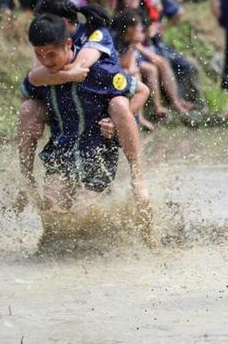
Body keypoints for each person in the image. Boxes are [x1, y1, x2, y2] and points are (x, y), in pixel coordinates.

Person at [20, 13, 151, 223]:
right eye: (39, 55)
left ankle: (136, 186)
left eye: (52, 55)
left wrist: (114, 123)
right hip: (61, 152)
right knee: (52, 210)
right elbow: (26, 94)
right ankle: (26, 185)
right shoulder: (42, 77)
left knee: (83, 218)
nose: (46, 61)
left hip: (97, 153)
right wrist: (35, 121)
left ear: (68, 44)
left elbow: (141, 91)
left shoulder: (98, 71)